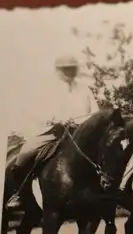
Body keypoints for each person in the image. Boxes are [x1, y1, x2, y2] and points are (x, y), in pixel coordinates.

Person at [6, 54, 100, 209]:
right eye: (66, 69)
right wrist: (55, 118)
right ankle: (18, 192)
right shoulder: (46, 89)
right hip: (53, 131)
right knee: (25, 152)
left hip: (80, 133)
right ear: (58, 70)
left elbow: (95, 112)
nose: (69, 72)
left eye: (72, 69)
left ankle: (106, 192)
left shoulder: (84, 89)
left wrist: (86, 123)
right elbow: (36, 110)